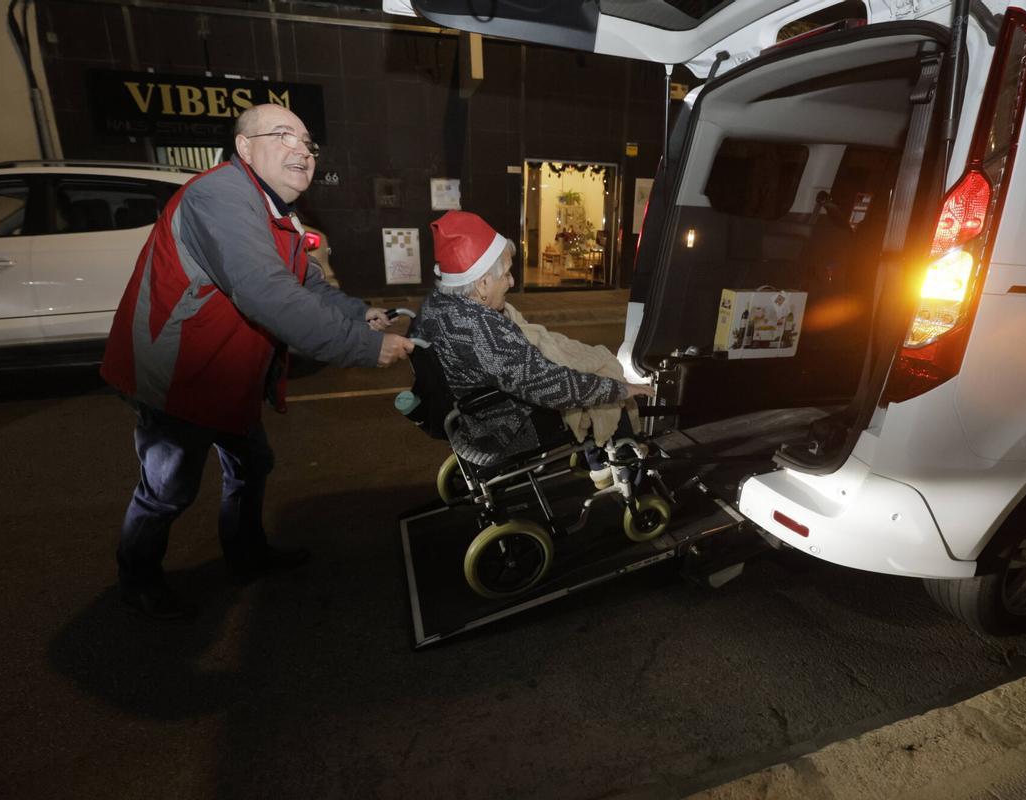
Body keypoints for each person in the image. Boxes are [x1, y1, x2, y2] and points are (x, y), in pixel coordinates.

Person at [101, 103, 415, 620]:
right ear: (244, 147)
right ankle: (137, 580)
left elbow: (308, 285)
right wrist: (361, 347)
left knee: (251, 463)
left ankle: (247, 557)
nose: (302, 150)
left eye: (308, 143)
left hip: (227, 376)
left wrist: (363, 316)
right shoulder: (220, 195)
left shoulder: (276, 212)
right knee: (168, 490)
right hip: (178, 375)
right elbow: (266, 293)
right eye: (283, 135)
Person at [412, 210, 653, 469]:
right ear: (481, 285)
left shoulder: (435, 305)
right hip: (499, 428)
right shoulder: (482, 333)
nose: (512, 281)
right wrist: (622, 388)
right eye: (506, 274)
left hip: (465, 410)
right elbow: (555, 388)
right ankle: (620, 468)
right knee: (605, 398)